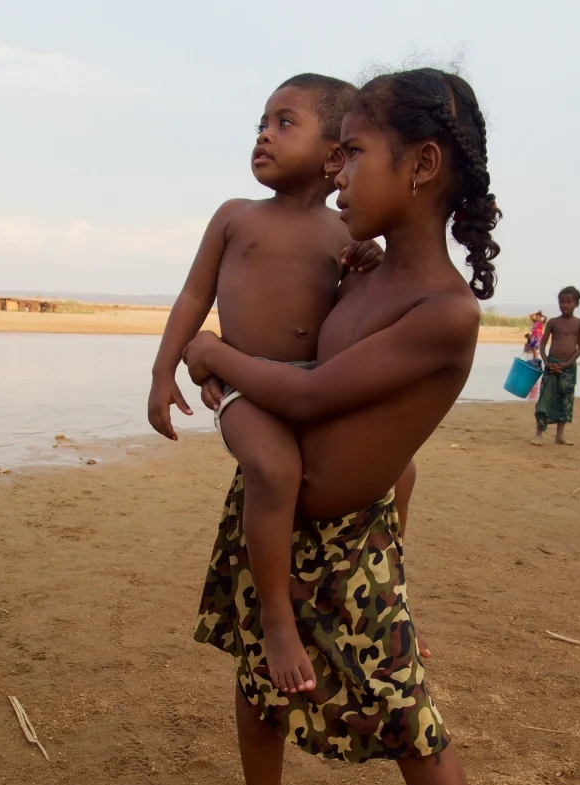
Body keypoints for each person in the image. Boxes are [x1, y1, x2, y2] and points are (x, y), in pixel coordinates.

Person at [183, 67, 523, 785]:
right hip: (275, 522)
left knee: (410, 723)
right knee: (258, 687)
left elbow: (311, 397)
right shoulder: (361, 276)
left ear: (421, 166)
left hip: (352, 546)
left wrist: (212, 358)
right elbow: (300, 352)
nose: (335, 178)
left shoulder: (445, 315)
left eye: (354, 155)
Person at [148, 73, 400, 694]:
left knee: (402, 470)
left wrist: (367, 265)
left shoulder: (345, 233)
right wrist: (163, 369)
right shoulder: (235, 217)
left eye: (285, 122)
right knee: (274, 470)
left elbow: (343, 316)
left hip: (313, 384)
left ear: (334, 155)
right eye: (261, 122)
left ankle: (390, 598)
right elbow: (192, 295)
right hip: (245, 389)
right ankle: (278, 621)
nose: (263, 133)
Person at [532, 287, 580, 446]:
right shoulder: (553, 322)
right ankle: (539, 433)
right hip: (552, 365)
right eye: (562, 302)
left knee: (565, 400)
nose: (565, 305)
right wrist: (547, 362)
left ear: (576, 304)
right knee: (545, 399)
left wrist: (567, 364)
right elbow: (542, 345)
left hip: (568, 368)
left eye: (569, 302)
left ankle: (559, 435)